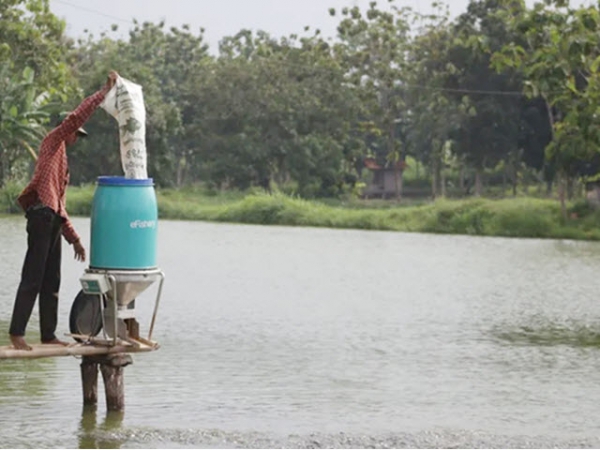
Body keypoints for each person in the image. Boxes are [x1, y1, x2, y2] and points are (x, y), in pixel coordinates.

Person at [8, 71, 119, 351]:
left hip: (53, 219)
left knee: (51, 280)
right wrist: (102, 93)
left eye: (77, 136)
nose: (76, 138)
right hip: (41, 216)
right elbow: (76, 117)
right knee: (32, 276)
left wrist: (74, 238)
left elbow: (60, 205)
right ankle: (17, 333)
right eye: (75, 133)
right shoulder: (52, 142)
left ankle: (48, 334)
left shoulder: (64, 164)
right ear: (66, 129)